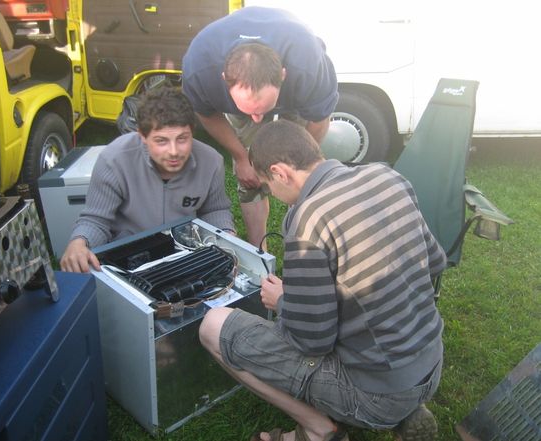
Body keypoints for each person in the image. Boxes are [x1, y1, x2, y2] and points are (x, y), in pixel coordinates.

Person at [199, 120, 446, 441]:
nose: (273, 195)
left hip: (378, 392)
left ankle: (318, 430)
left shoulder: (308, 219)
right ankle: (405, 410)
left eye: (268, 185)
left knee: (213, 326)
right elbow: (435, 261)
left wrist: (284, 302)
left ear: (280, 172)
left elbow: (312, 341)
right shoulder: (387, 176)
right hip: (430, 364)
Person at [182, 6, 338, 248]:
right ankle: (259, 248)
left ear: (283, 75)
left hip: (293, 99)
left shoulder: (307, 64)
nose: (259, 119)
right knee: (249, 177)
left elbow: (319, 117)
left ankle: (301, 240)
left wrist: (300, 168)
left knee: (300, 174)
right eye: (250, 110)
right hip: (238, 95)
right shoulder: (201, 68)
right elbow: (208, 115)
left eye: (263, 110)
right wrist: (242, 158)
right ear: (224, 79)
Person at [60, 87, 235, 273]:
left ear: (192, 131)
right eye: (161, 141)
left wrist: (226, 235)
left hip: (186, 254)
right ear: (142, 136)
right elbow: (96, 220)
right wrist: (79, 242)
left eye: (182, 138)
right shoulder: (113, 160)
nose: (174, 151)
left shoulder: (211, 161)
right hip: (128, 258)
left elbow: (215, 209)